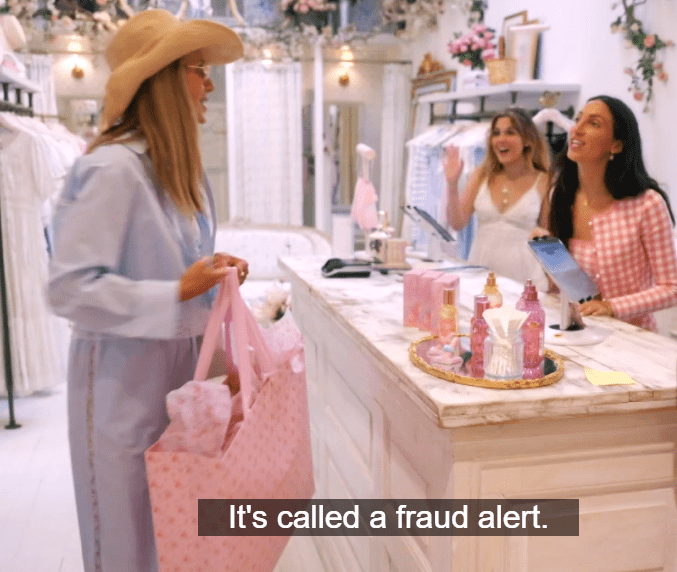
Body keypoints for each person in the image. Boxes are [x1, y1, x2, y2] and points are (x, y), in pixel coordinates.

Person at [47, 10, 247, 572]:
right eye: (199, 70)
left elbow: (178, 273)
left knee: (172, 536)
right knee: (126, 541)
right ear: (164, 80)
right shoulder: (112, 170)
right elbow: (69, 289)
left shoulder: (182, 173)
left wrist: (211, 283)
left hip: (178, 384)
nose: (209, 86)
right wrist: (177, 290)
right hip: (122, 384)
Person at [545, 95, 677, 331]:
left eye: (593, 123)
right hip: (577, 335)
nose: (577, 129)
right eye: (578, 119)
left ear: (616, 145)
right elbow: (567, 288)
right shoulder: (561, 194)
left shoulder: (647, 204)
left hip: (633, 339)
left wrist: (611, 307)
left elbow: (672, 288)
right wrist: (547, 253)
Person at [444, 107, 551, 290]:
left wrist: (556, 286)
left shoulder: (544, 180)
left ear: (527, 139)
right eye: (496, 133)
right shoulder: (481, 175)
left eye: (510, 132)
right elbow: (456, 223)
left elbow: (549, 238)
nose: (501, 139)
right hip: (481, 274)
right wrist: (452, 184)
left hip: (525, 279)